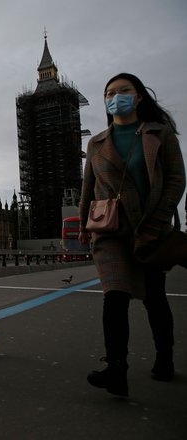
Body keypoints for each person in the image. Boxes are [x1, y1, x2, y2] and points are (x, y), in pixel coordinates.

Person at [79, 73, 185, 396]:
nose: (116, 97)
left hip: (149, 229)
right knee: (114, 297)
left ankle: (164, 356)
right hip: (110, 231)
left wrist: (157, 223)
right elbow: (88, 190)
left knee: (154, 299)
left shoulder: (160, 134)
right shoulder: (96, 143)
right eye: (110, 93)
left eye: (123, 90)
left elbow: (176, 181)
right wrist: (84, 225)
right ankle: (116, 368)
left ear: (138, 97)